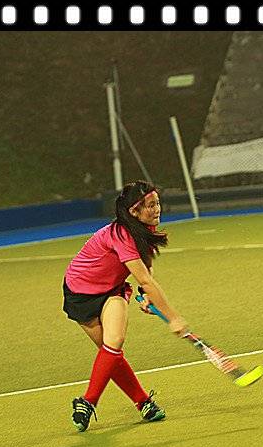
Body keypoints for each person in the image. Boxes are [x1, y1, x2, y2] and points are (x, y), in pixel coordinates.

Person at [62, 180, 188, 432]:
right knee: (110, 354)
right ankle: (143, 402)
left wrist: (145, 294)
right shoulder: (120, 234)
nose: (157, 209)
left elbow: (145, 272)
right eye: (150, 205)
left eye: (157, 203)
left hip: (112, 290)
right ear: (134, 211)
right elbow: (145, 279)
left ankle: (87, 402)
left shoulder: (144, 230)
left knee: (114, 342)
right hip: (80, 292)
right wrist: (173, 317)